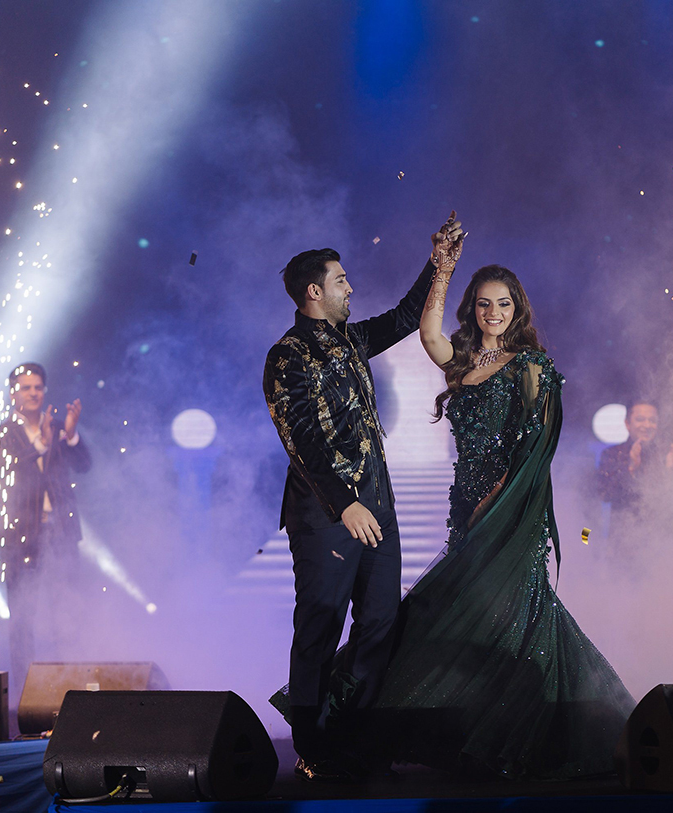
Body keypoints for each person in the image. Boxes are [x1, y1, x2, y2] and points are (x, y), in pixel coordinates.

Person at [363, 263, 633, 779]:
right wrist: (442, 269)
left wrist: (501, 499)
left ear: (518, 308)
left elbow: (536, 447)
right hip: (465, 510)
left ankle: (523, 737)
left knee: (514, 610)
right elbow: (426, 334)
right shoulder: (462, 362)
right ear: (473, 308)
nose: (493, 313)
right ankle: (473, 734)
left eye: (503, 304)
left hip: (511, 507)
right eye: (484, 304)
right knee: (471, 612)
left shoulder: (530, 364)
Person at [263, 213, 464, 781]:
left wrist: (437, 264)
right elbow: (299, 437)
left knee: (380, 622)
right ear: (314, 292)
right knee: (320, 625)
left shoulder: (350, 338)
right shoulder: (288, 356)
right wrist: (343, 503)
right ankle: (312, 745)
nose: (351, 288)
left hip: (377, 507)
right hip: (328, 515)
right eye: (342, 280)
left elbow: (404, 318)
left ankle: (355, 732)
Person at [0, 363, 90, 684]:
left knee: (65, 611)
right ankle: (25, 691)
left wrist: (70, 436)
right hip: (20, 536)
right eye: (26, 387)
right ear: (13, 393)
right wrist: (42, 445)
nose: (33, 393)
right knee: (22, 617)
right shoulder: (0, 434)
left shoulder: (59, 426)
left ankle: (68, 688)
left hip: (60, 532)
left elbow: (85, 465)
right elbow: (8, 472)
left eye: (38, 387)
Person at [597, 399, 673, 519]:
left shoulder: (666, 453)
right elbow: (605, 495)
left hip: (662, 531)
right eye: (640, 419)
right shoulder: (613, 453)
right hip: (624, 530)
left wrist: (670, 470)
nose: (647, 425)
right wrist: (631, 467)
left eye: (652, 421)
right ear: (627, 423)